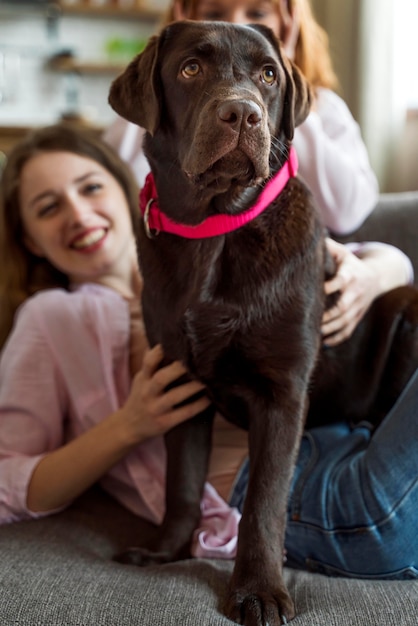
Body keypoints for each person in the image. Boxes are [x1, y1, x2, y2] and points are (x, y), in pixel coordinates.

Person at [0, 125, 417, 577]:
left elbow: (372, 262)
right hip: (309, 498)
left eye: (91, 188)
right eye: (49, 207)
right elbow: (6, 482)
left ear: (125, 188)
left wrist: (374, 272)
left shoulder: (207, 251)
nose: (79, 215)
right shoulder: (49, 318)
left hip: (351, 435)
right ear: (29, 240)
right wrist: (128, 426)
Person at [103, 0, 412, 348]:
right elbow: (112, 200)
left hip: (293, 280)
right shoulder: (148, 109)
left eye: (257, 13)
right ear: (183, 14)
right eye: (214, 15)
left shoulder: (325, 109)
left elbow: (348, 212)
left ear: (290, 23)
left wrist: (277, 82)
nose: (237, 22)